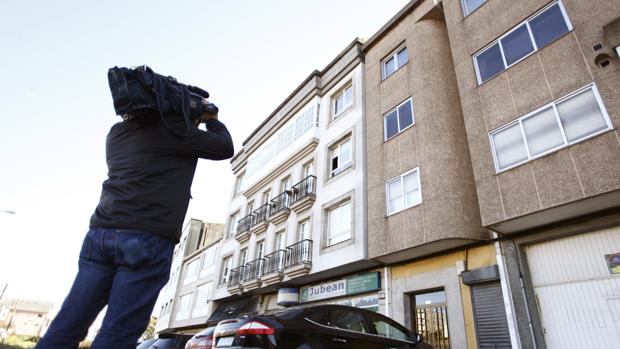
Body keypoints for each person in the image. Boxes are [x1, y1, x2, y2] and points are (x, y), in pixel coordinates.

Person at [35, 99, 234, 349]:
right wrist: (212, 120)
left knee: (68, 324)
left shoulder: (117, 133)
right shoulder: (175, 132)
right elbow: (225, 147)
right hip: (146, 239)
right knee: (118, 332)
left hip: (100, 236)